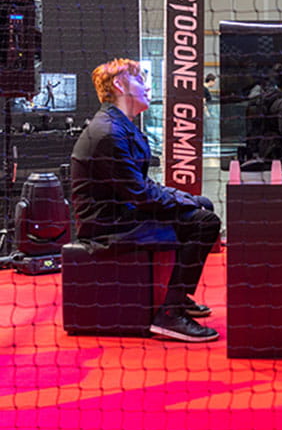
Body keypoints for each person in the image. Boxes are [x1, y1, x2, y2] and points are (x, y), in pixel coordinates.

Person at [71, 58, 220, 343]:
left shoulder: (121, 126)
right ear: (119, 85)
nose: (148, 86)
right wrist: (187, 203)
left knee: (201, 207)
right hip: (107, 223)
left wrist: (187, 198)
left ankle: (176, 295)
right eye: (140, 80)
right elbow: (140, 194)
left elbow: (141, 186)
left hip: (123, 210)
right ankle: (170, 313)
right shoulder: (108, 132)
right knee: (204, 222)